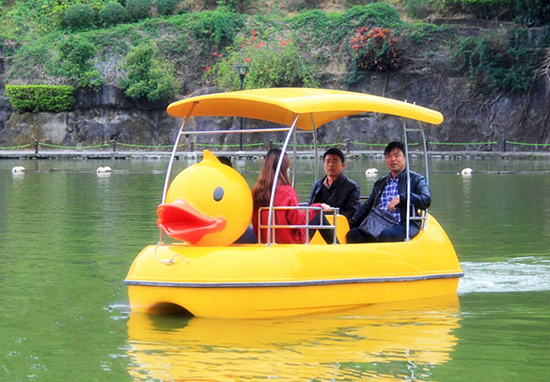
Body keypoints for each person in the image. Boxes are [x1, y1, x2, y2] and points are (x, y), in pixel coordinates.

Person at [347, 141, 431, 243]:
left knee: (386, 234)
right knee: (353, 234)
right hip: (378, 223)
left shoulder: (416, 179)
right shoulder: (380, 183)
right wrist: (349, 224)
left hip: (402, 223)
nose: (393, 159)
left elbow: (426, 199)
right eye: (389, 156)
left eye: (397, 155)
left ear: (404, 158)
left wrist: (402, 198)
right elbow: (367, 206)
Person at [252, 149, 335, 244]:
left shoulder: (256, 191)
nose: (289, 170)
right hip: (289, 242)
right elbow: (299, 221)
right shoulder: (287, 192)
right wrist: (318, 207)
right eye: (287, 166)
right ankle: (338, 248)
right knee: (318, 213)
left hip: (265, 240)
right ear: (283, 168)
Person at [308, 147, 360, 220]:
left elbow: (352, 212)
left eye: (335, 161)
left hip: (338, 223)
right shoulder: (317, 185)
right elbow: (309, 207)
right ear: (324, 164)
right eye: (328, 161)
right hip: (316, 223)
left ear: (343, 165)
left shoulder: (351, 186)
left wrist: (329, 216)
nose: (331, 165)